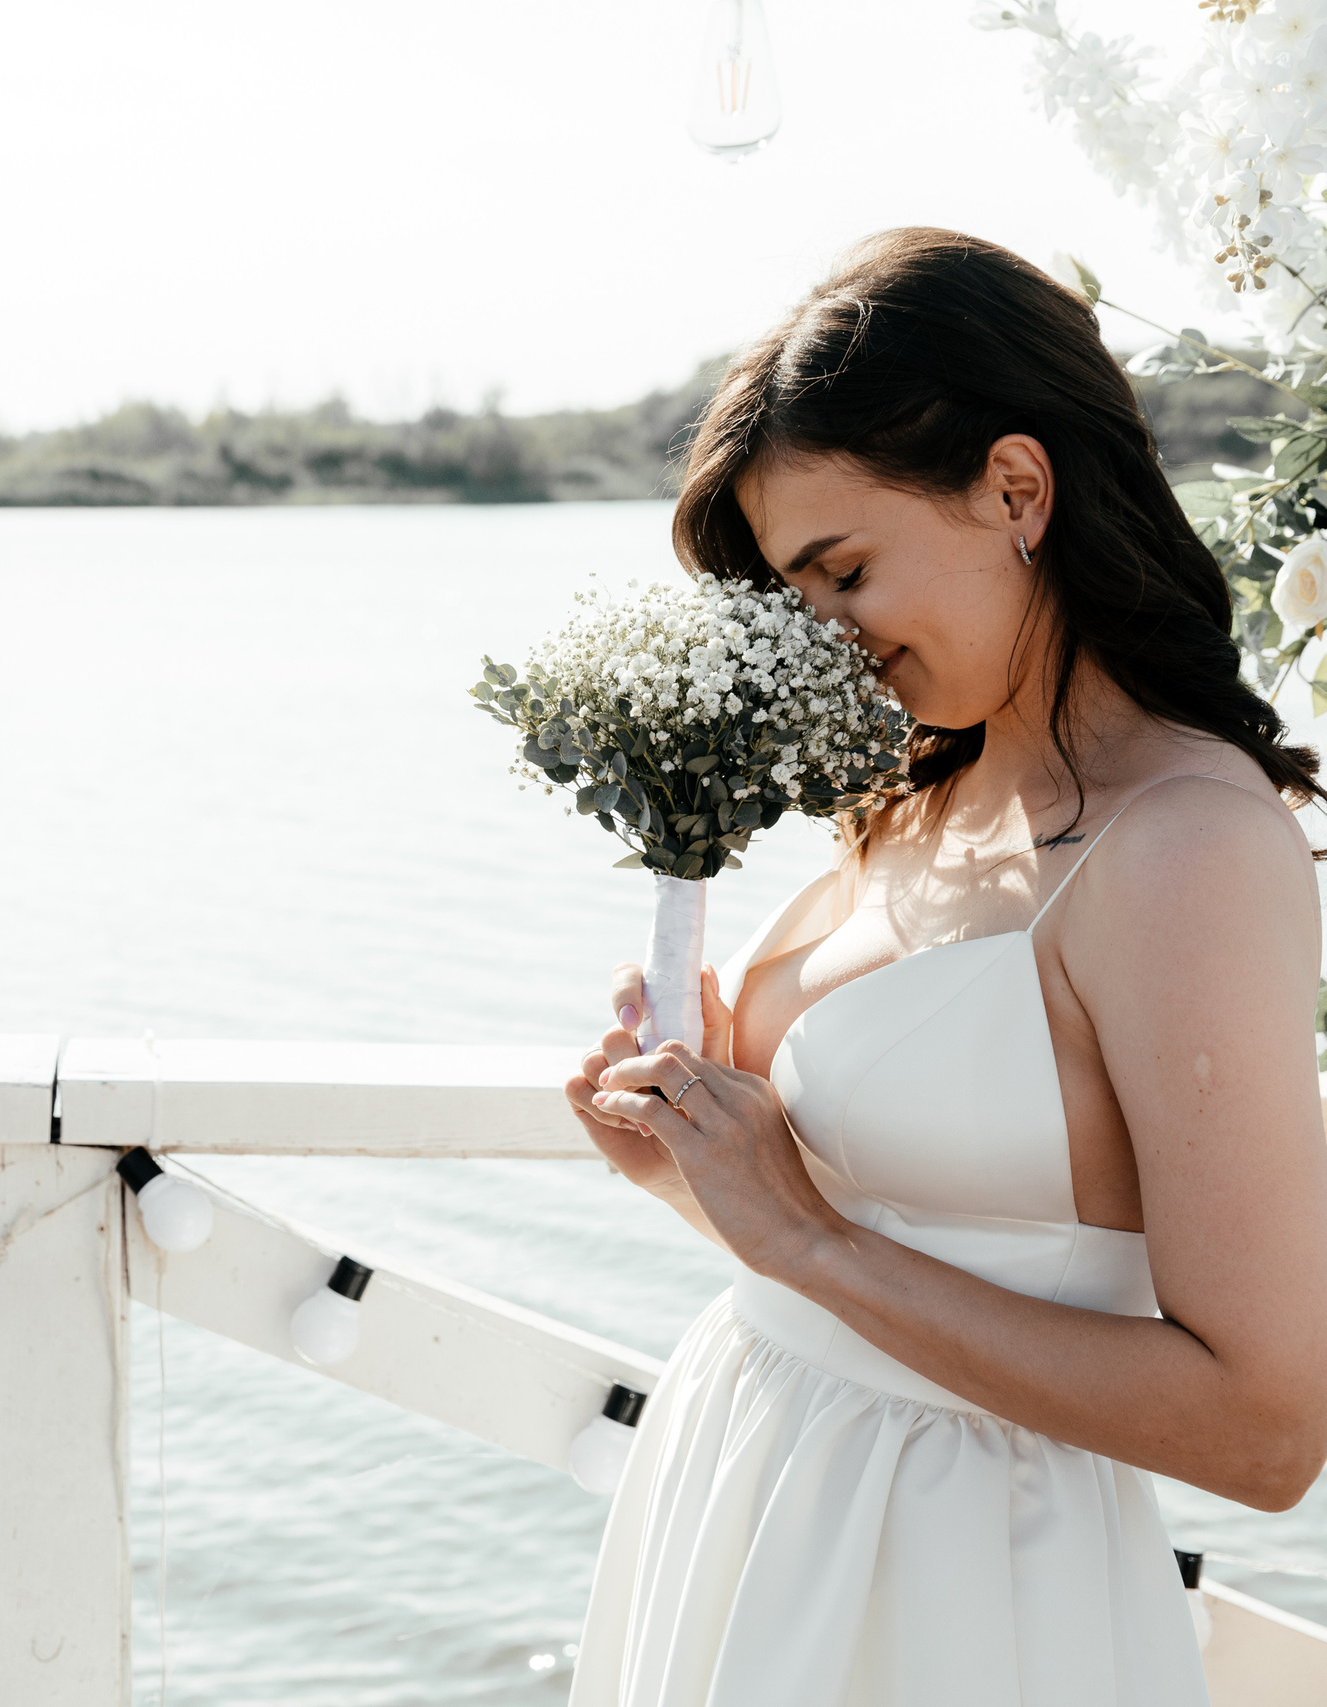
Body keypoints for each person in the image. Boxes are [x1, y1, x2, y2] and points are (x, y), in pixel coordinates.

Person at [563, 228, 1327, 1705]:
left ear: (1017, 487)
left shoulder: (1185, 850)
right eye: (796, 600)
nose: (828, 642)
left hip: (964, 1589)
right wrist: (694, 1161)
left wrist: (808, 1239)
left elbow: (1268, 1430)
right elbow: (897, 1234)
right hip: (756, 1492)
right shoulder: (928, 787)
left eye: (842, 571)